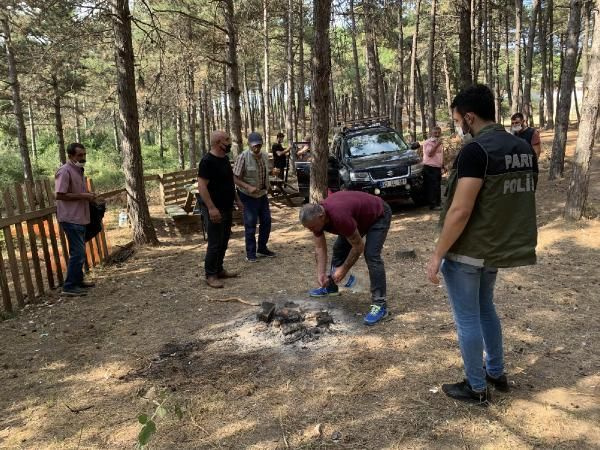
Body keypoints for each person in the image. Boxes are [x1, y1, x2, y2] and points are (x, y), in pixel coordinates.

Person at [426, 84, 538, 405]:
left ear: (470, 117)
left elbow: (461, 209)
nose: (457, 125)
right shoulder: (523, 149)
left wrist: (437, 255)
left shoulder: (476, 151)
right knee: (486, 308)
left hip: (469, 250)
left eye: (458, 119)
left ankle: (476, 387)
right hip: (496, 247)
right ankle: (496, 372)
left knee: (467, 318)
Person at [299, 191, 392, 326]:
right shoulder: (317, 218)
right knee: (339, 249)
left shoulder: (339, 217)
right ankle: (330, 286)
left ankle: (380, 305)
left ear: (321, 216)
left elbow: (358, 246)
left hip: (378, 215)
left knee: (371, 255)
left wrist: (343, 269)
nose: (311, 230)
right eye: (308, 228)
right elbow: (319, 248)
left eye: (312, 227)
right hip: (356, 219)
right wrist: (321, 274)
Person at [198, 130, 243, 288]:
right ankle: (210, 275)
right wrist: (211, 208)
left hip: (226, 207)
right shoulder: (207, 161)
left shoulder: (224, 159)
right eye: (227, 139)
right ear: (218, 143)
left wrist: (237, 200)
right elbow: (202, 186)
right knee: (215, 242)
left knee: (224, 240)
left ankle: (219, 269)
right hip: (214, 209)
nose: (229, 142)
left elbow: (230, 182)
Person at [55, 143, 96, 296]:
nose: (83, 158)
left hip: (80, 217)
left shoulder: (78, 170)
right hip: (70, 218)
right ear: (71, 156)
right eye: (79, 155)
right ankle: (69, 286)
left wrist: (89, 195)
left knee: (79, 251)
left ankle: (78, 281)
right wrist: (84, 196)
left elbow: (77, 192)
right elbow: (59, 194)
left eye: (84, 155)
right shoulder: (65, 171)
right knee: (78, 253)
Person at [233, 132, 275, 262]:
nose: (256, 148)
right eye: (254, 145)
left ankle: (262, 248)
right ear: (249, 145)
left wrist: (272, 172)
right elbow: (234, 178)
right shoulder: (243, 157)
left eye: (259, 145)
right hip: (248, 196)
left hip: (262, 194)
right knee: (250, 224)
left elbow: (265, 171)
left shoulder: (264, 156)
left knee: (266, 221)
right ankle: (250, 253)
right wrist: (247, 187)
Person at [422, 126, 444, 211]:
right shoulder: (428, 142)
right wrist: (437, 144)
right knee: (432, 186)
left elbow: (440, 154)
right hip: (430, 167)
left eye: (439, 133)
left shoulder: (439, 142)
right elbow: (430, 154)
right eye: (435, 133)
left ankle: (438, 203)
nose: (437, 134)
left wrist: (443, 165)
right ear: (431, 133)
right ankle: (433, 205)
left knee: (437, 186)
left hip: (437, 167)